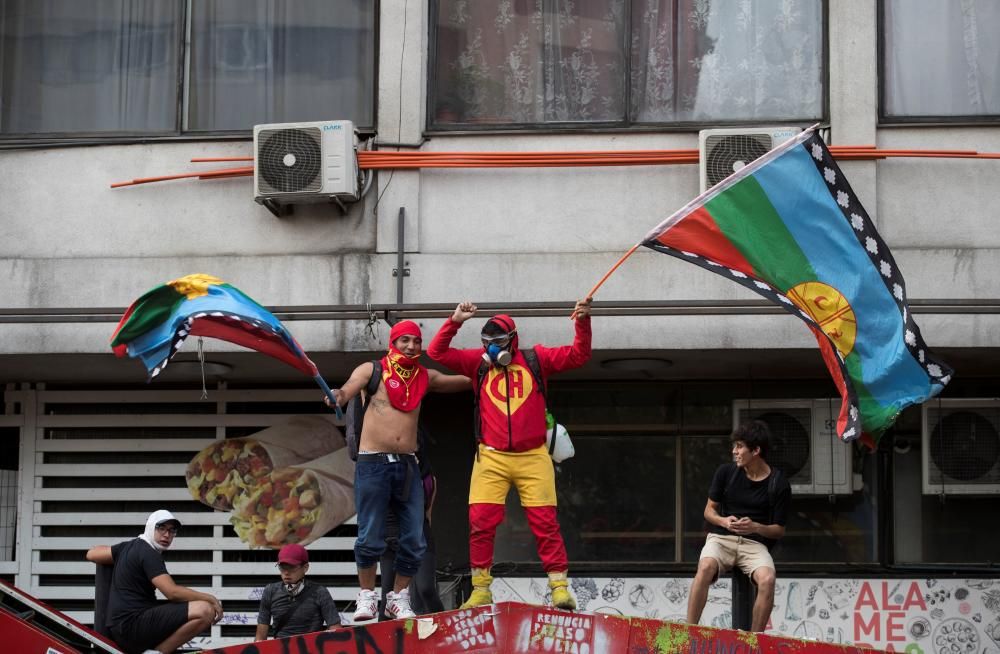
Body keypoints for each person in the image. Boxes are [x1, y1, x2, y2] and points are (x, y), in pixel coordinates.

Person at [427, 298, 592, 610]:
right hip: (491, 457)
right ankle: (480, 589)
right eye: (487, 343)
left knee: (545, 523)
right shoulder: (477, 363)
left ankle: (559, 587)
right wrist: (455, 320)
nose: (492, 349)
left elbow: (579, 355)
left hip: (533, 456)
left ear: (513, 340)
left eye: (498, 343)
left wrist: (582, 322)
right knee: (480, 523)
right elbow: (436, 352)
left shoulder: (536, 358)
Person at [329, 320, 469, 622]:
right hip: (372, 462)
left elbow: (462, 380)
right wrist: (336, 396)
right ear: (393, 342)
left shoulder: (424, 376)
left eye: (416, 341)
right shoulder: (372, 369)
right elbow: (347, 390)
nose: (411, 346)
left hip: (408, 463)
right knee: (370, 537)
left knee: (416, 539)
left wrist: (490, 367)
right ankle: (367, 596)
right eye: (404, 340)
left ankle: (398, 597)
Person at [686, 420, 792, 632]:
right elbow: (709, 511)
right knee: (705, 566)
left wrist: (756, 527)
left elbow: (779, 530)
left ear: (756, 450)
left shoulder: (778, 483)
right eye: (734, 446)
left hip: (754, 544)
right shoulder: (726, 472)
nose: (734, 452)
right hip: (721, 539)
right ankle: (687, 631)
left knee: (768, 579)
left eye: (739, 446)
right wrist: (724, 521)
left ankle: (754, 641)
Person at [86, 510, 223, 654]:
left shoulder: (129, 547)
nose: (166, 535)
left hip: (122, 627)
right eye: (161, 528)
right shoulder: (148, 553)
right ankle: (159, 652)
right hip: (132, 627)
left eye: (171, 531)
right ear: (150, 527)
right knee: (205, 610)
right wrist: (211, 598)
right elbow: (172, 592)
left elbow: (91, 554)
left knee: (186, 607)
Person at [378, 422, 445, 619]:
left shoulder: (428, 478)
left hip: (418, 533)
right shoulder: (384, 470)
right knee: (387, 597)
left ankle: (445, 631)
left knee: (426, 588)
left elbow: (428, 514)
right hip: (390, 534)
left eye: (413, 442)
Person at [254, 543, 341, 640]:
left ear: (305, 567)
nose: (286, 572)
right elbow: (260, 638)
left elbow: (336, 630)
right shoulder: (270, 591)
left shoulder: (320, 592)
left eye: (292, 567)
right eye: (282, 567)